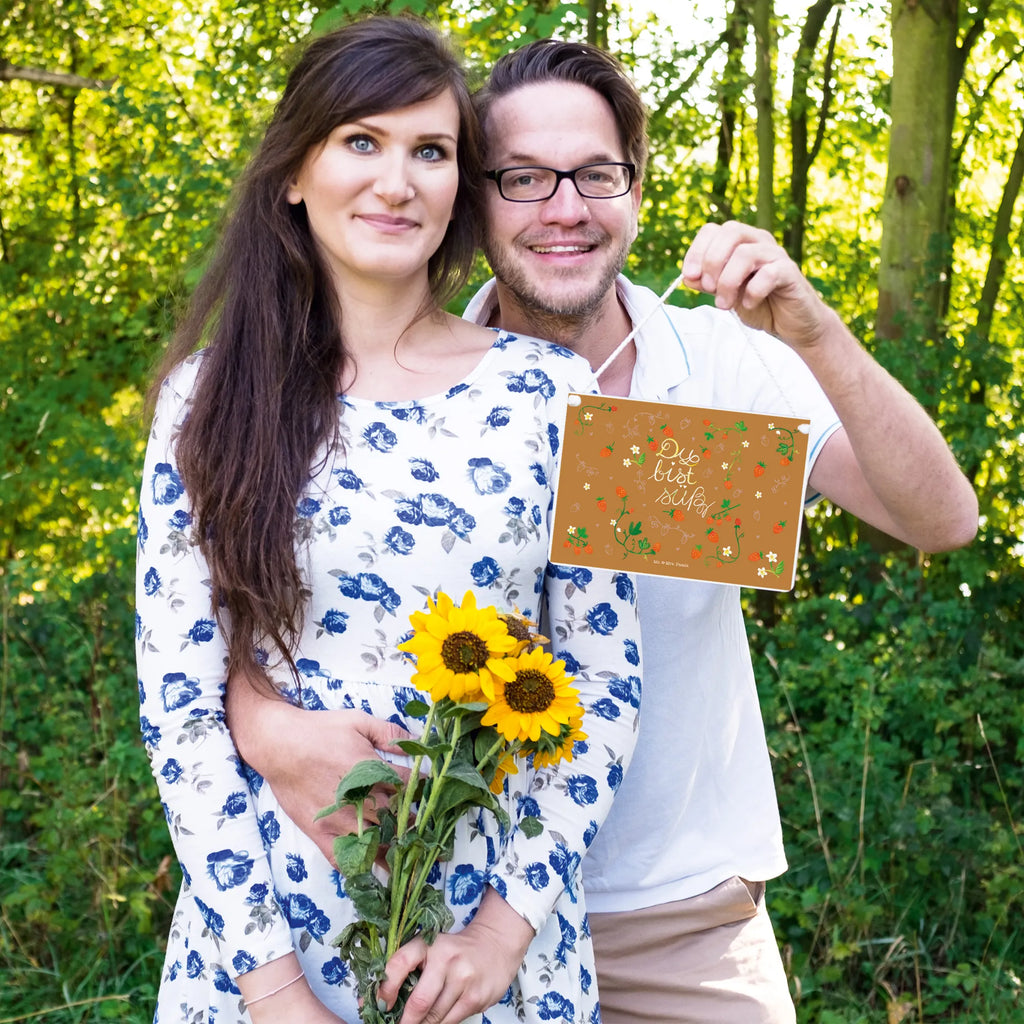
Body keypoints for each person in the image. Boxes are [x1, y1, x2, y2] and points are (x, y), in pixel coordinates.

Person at [226, 35, 979, 1024]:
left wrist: (809, 327)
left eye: (594, 173)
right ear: (473, 196)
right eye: (525, 178)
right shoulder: (404, 381)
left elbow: (941, 519)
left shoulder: (720, 359)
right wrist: (261, 718)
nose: (565, 208)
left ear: (636, 185)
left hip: (679, 921)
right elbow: (268, 619)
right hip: (454, 908)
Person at [135, 19, 641, 1024]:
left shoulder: (557, 393)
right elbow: (179, 708)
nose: (397, 181)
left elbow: (606, 680)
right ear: (293, 172)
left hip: (486, 945)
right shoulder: (207, 400)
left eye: (432, 151)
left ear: (460, 186)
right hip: (266, 936)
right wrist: (276, 993)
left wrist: (499, 934)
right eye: (361, 142)